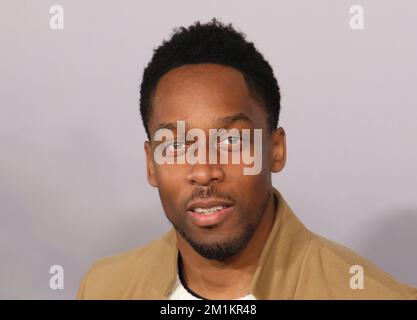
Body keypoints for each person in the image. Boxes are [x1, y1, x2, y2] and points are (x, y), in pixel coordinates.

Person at [77, 19, 417, 300]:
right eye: (177, 146)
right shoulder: (104, 288)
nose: (205, 171)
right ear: (151, 165)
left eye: (231, 140)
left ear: (276, 150)